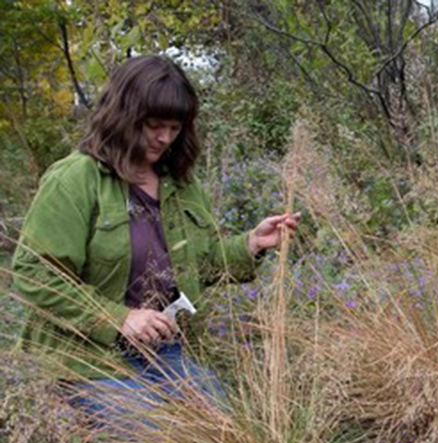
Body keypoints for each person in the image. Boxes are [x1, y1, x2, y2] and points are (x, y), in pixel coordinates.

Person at [12, 55, 299, 420]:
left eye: (175, 127)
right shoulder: (74, 179)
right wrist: (118, 318)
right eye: (154, 125)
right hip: (85, 358)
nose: (165, 138)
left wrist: (251, 244)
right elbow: (34, 274)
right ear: (124, 116)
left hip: (163, 352)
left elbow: (201, 263)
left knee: (227, 427)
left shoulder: (178, 181)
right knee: (160, 439)